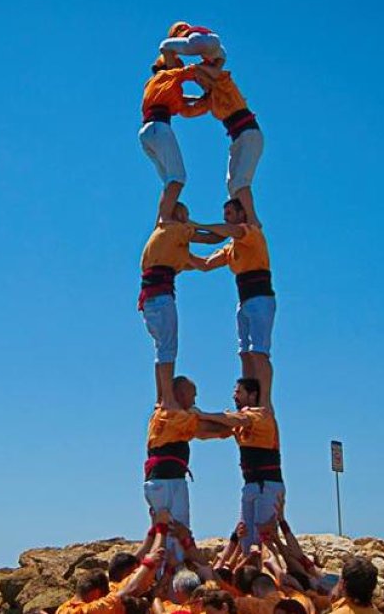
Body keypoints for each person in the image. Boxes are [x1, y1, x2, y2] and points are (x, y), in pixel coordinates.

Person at [194, 199, 276, 402]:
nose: (226, 218)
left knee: (259, 352)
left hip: (260, 298)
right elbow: (205, 264)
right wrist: (178, 250)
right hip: (245, 300)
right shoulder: (231, 248)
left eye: (230, 213)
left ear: (241, 214)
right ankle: (248, 395)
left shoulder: (250, 232)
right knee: (245, 353)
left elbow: (231, 230)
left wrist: (198, 226)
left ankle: (264, 400)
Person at [145, 375, 233, 563]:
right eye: (192, 396)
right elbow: (205, 427)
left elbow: (204, 432)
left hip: (165, 480)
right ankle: (171, 576)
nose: (194, 400)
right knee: (174, 531)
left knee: (170, 530)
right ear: (180, 394)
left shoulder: (177, 417)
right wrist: (229, 422)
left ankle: (168, 574)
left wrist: (227, 428)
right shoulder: (173, 415)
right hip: (167, 480)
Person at [140, 201, 220, 403]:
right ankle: (167, 399)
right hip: (160, 297)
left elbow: (202, 264)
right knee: (167, 348)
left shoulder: (174, 246)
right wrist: (235, 230)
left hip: (152, 299)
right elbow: (209, 239)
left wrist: (228, 253)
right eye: (185, 213)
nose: (187, 217)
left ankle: (162, 397)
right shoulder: (174, 229)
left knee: (163, 348)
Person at [197, 378, 284, 551]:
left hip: (267, 484)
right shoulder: (239, 420)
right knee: (246, 540)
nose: (234, 395)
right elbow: (213, 431)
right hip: (251, 484)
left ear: (252, 395)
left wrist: (203, 414)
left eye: (238, 392)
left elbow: (237, 419)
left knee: (263, 540)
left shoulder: (261, 415)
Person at [181, 59, 264, 229]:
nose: (201, 83)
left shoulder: (223, 84)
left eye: (202, 79)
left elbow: (218, 72)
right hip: (238, 138)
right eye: (198, 82)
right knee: (232, 187)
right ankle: (239, 221)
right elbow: (188, 112)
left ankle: (253, 221)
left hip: (249, 134)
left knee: (240, 181)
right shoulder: (210, 99)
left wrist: (192, 70)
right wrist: (174, 96)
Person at [140, 46, 210, 227]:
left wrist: (201, 100)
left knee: (170, 181)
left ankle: (161, 222)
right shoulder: (167, 76)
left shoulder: (155, 84)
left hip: (148, 131)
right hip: (159, 127)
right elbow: (187, 74)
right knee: (178, 178)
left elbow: (181, 104)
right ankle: (164, 221)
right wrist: (211, 73)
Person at [57, 526, 168, 614]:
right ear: (96, 593)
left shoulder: (62, 609)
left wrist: (154, 530)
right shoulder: (89, 610)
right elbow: (129, 589)